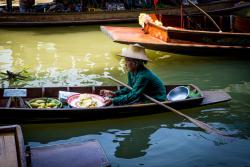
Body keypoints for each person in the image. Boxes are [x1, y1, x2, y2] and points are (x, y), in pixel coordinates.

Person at [100, 44, 166, 106]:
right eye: (125, 60)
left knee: (126, 101)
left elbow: (134, 95)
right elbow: (129, 88)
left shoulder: (143, 76)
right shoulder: (131, 72)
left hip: (156, 98)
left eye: (127, 61)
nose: (125, 64)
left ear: (136, 62)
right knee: (121, 99)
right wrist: (115, 94)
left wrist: (113, 100)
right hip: (142, 93)